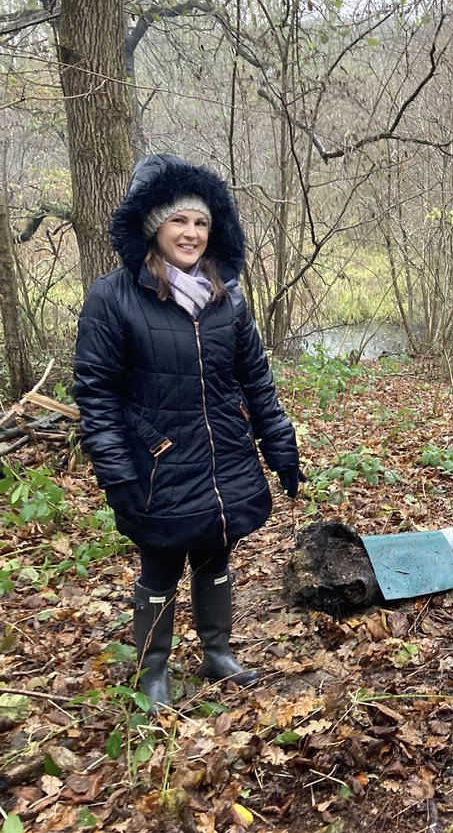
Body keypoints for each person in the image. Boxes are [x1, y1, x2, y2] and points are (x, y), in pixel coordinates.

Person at [74, 154, 302, 708]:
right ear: (154, 225)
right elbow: (96, 393)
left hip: (224, 456)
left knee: (216, 555)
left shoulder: (227, 297)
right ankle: (154, 671)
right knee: (160, 565)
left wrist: (280, 445)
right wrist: (116, 471)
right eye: (179, 221)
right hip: (158, 462)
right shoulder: (114, 297)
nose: (192, 233)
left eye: (201, 222)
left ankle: (217, 653)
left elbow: (255, 380)